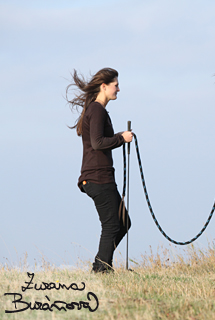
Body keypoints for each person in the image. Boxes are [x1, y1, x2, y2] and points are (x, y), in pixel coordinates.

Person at [67, 68, 133, 273]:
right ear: (104, 87)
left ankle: (100, 265)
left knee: (122, 223)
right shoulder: (96, 110)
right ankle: (102, 269)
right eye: (116, 85)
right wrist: (122, 139)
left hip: (100, 177)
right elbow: (97, 143)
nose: (118, 89)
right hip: (97, 178)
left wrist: (119, 136)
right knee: (113, 225)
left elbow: (100, 140)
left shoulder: (97, 110)